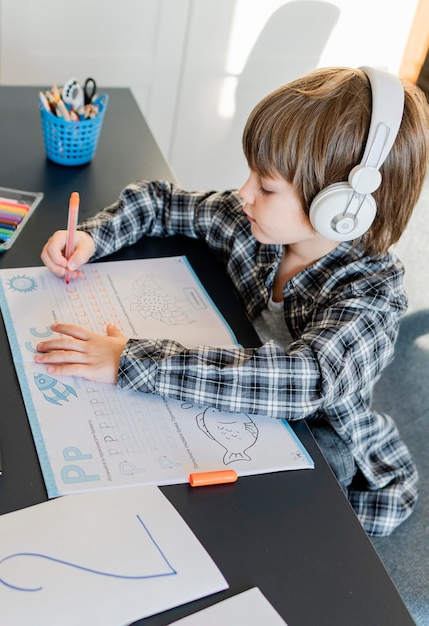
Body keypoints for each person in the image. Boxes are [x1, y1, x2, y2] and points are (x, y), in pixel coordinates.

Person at [36, 66, 429, 537]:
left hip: (324, 442)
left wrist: (129, 360)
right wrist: (93, 238)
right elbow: (160, 202)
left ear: (341, 209)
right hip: (234, 407)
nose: (243, 193)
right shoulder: (254, 225)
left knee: (239, 529)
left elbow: (302, 383)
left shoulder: (372, 296)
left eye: (265, 187)